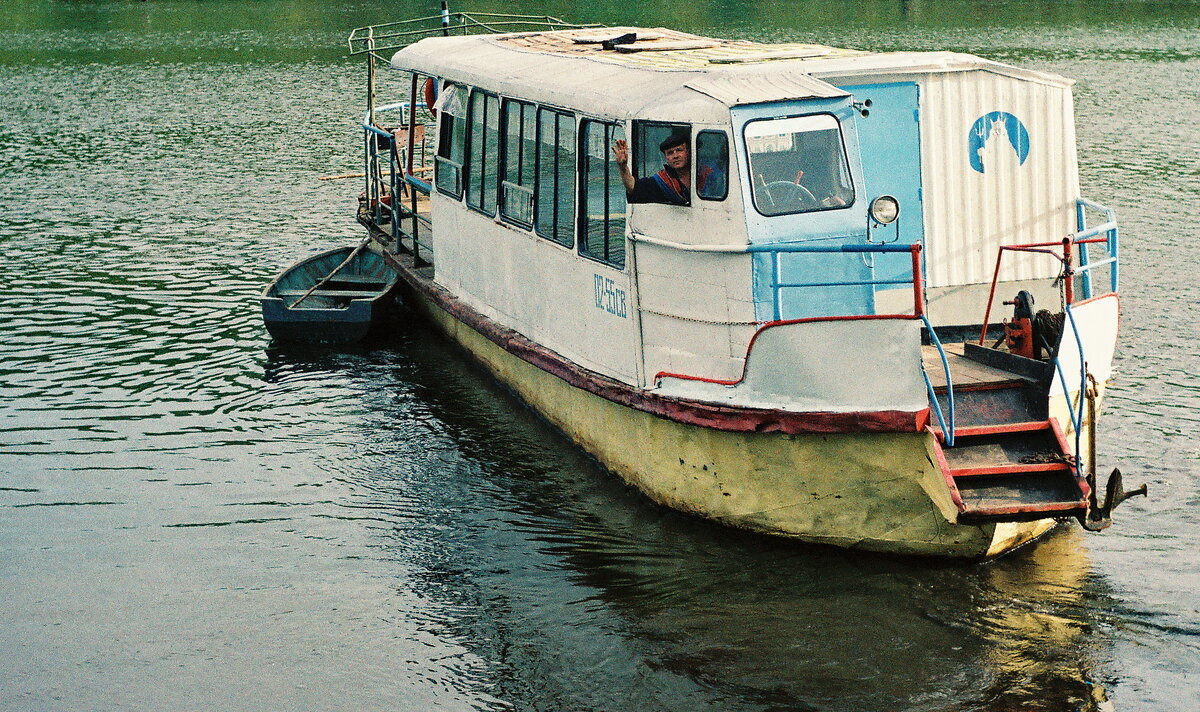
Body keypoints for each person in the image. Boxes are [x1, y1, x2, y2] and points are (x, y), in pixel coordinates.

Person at [612, 133, 693, 206]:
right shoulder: (662, 181)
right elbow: (633, 187)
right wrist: (623, 166)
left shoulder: (703, 174)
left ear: (688, 152)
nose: (675, 156)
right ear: (666, 158)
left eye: (679, 150)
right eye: (670, 153)